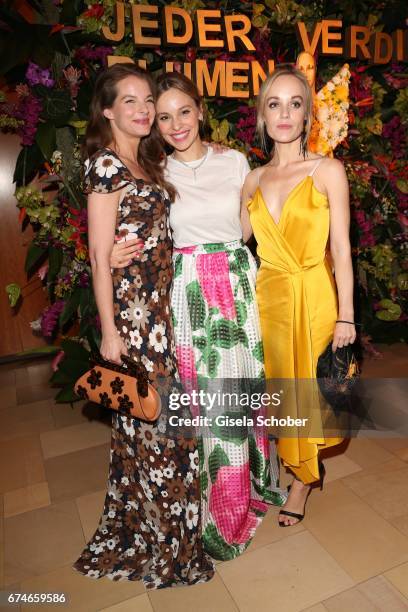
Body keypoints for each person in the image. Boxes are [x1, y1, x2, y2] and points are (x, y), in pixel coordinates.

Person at [111, 71, 287, 560]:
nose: (175, 124)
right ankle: (222, 511)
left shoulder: (234, 162)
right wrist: (110, 255)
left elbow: (259, 225)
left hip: (237, 281)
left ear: (200, 110)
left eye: (183, 111)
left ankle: (253, 484)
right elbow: (142, 236)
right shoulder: (155, 174)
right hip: (188, 293)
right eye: (163, 117)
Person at [73, 63, 214, 588]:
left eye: (146, 98)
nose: (142, 108)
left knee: (143, 431)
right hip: (134, 321)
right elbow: (95, 251)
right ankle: (172, 548)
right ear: (107, 110)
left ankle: (149, 531)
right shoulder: (105, 166)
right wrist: (109, 332)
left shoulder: (145, 160)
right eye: (128, 101)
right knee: (165, 433)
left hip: (161, 311)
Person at [242, 64, 356, 526]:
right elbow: (227, 242)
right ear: (263, 117)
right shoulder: (251, 180)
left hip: (313, 295)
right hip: (268, 299)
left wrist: (347, 317)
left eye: (294, 103)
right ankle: (294, 463)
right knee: (280, 392)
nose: (284, 113)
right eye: (274, 104)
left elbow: (343, 251)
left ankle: (302, 481)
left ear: (307, 115)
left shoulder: (328, 170)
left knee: (309, 392)